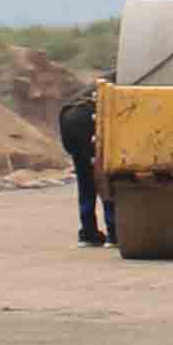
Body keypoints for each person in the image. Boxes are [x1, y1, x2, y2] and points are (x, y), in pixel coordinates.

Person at [57, 78, 110, 249]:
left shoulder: (109, 78)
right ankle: (115, 232)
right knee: (106, 173)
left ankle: (88, 233)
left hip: (68, 115)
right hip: (89, 116)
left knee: (85, 177)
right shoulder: (130, 78)